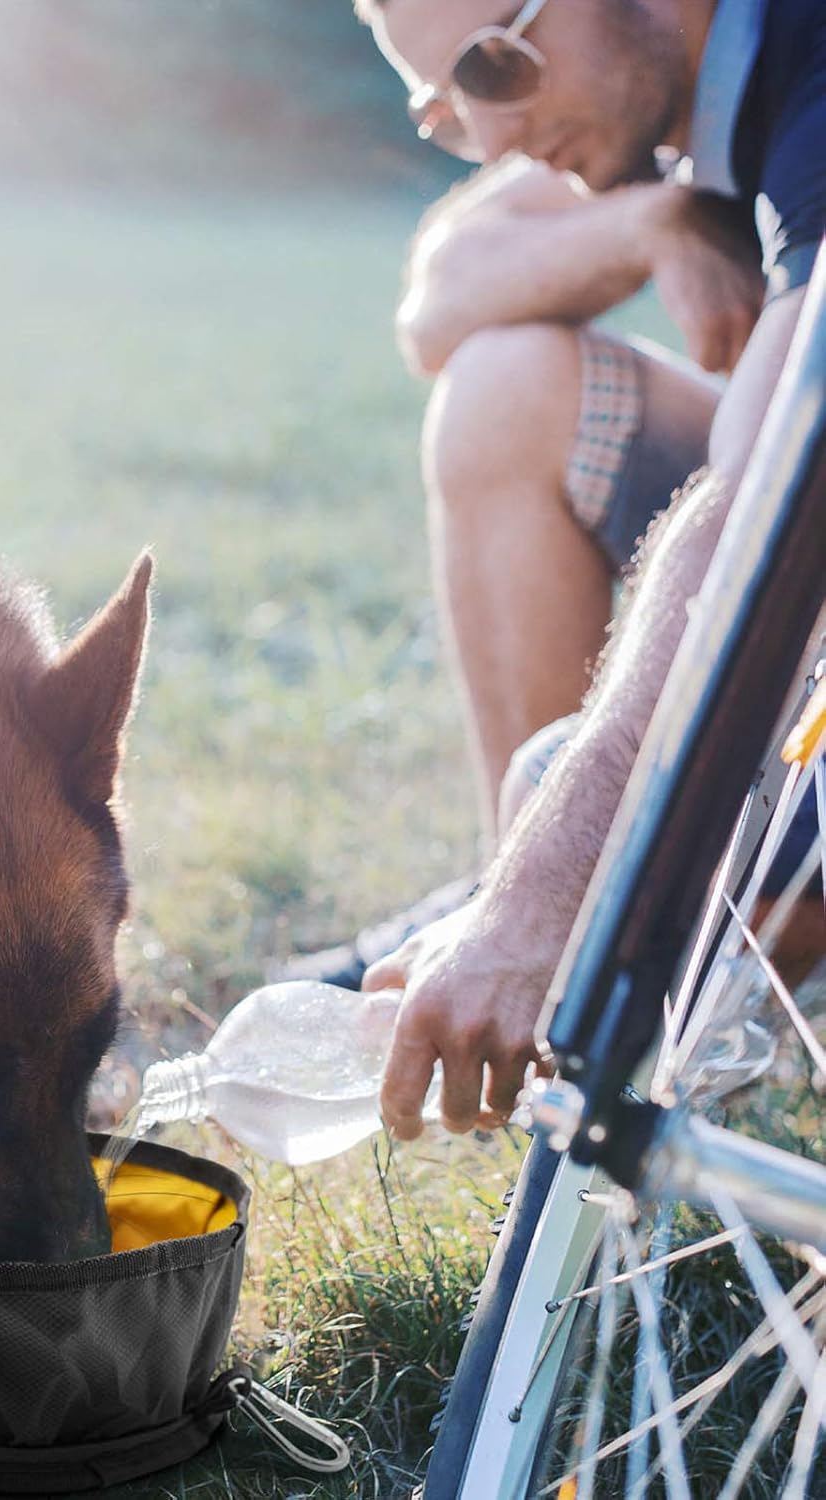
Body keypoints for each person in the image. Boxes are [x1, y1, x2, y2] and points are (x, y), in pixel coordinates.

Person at [336, 0, 826, 1139]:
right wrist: (655, 220)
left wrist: (557, 874)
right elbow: (439, 299)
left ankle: (569, 950)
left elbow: (778, 503)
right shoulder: (688, 95)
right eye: (442, 108)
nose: (491, 134)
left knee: (579, 794)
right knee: (505, 387)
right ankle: (520, 952)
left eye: (492, 68)